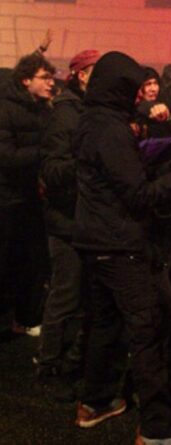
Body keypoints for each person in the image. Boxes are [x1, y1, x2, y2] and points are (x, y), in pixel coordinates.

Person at [73, 51, 171, 443]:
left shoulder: (95, 119)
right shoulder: (109, 129)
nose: (140, 97)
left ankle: (95, 402)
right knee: (147, 331)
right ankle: (156, 430)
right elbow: (137, 194)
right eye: (133, 91)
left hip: (94, 238)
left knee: (105, 324)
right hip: (119, 243)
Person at [36, 49, 100, 401]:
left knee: (85, 295)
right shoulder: (65, 114)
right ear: (80, 75)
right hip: (66, 221)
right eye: (94, 71)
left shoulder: (89, 111)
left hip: (86, 219)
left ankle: (72, 359)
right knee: (65, 293)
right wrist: (87, 158)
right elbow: (53, 171)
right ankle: (47, 364)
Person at [0, 52, 55, 337]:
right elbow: (6, 157)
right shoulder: (5, 109)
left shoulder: (44, 109)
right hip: (7, 199)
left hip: (32, 198)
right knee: (7, 261)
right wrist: (45, 154)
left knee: (33, 262)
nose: (51, 83)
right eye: (44, 78)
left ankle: (25, 317)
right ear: (25, 80)